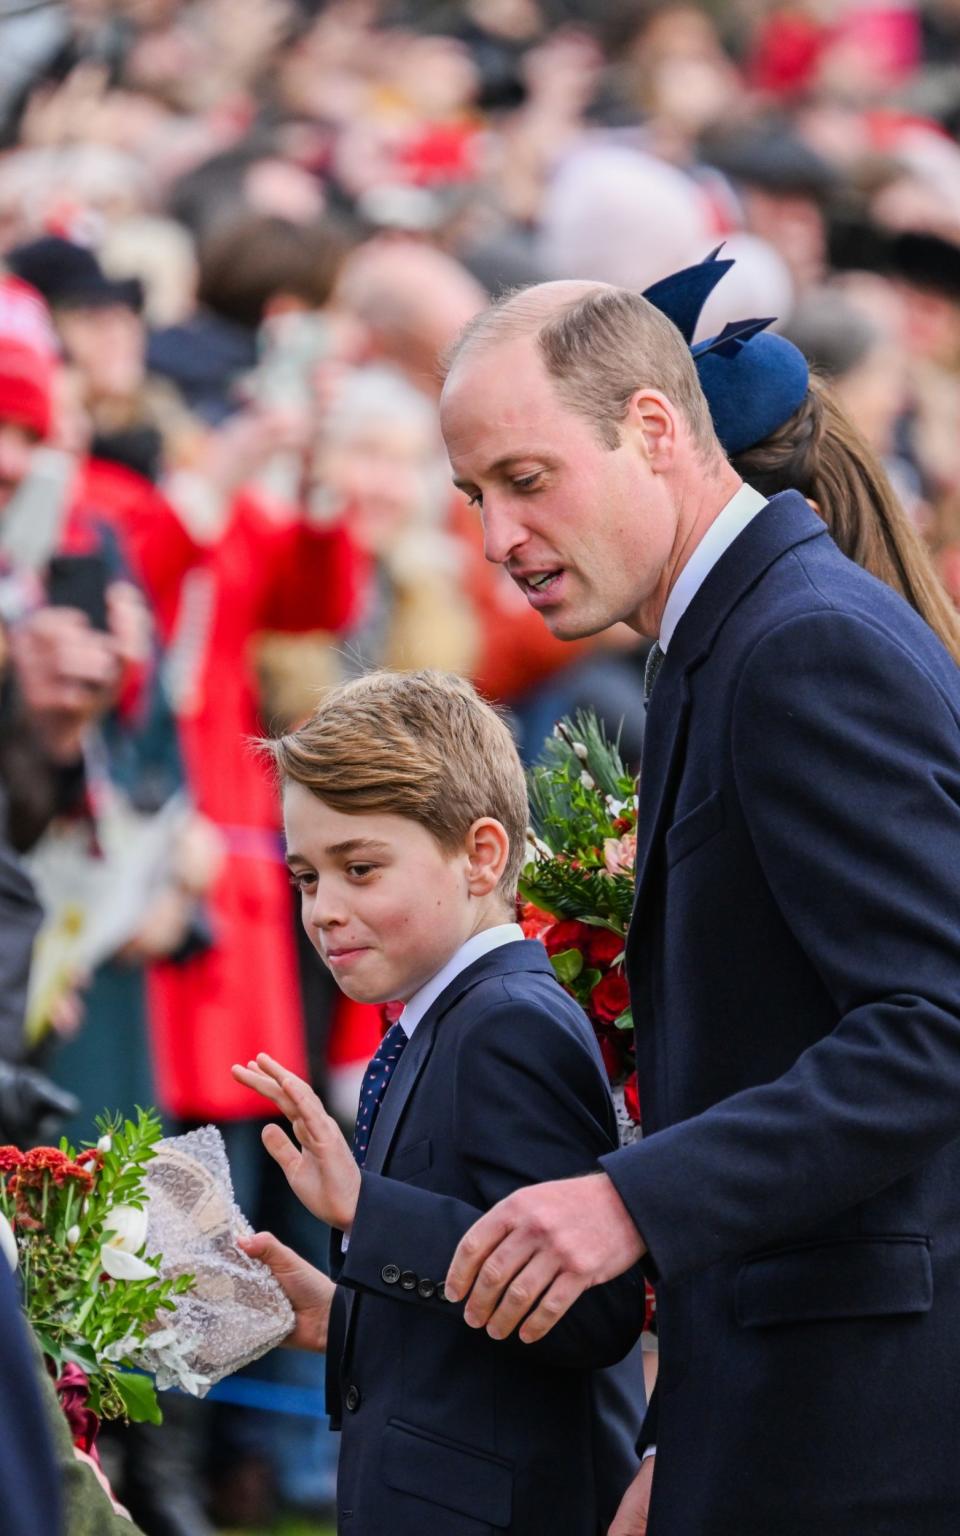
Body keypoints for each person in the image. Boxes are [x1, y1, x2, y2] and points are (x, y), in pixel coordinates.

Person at [437, 280, 960, 1536]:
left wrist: (631, 1199)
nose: (501, 536)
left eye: (528, 478)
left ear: (658, 430)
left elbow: (935, 1023)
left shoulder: (799, 643)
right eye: (476, 498)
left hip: (864, 1431)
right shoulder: (729, 636)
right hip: (780, 1399)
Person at [231, 669, 646, 1535]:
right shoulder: (443, 1019)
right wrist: (343, 1313)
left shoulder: (508, 1026)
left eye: (361, 868)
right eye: (307, 878)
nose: (325, 911)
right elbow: (478, 1288)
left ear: (482, 855)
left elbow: (589, 1311)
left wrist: (366, 1210)